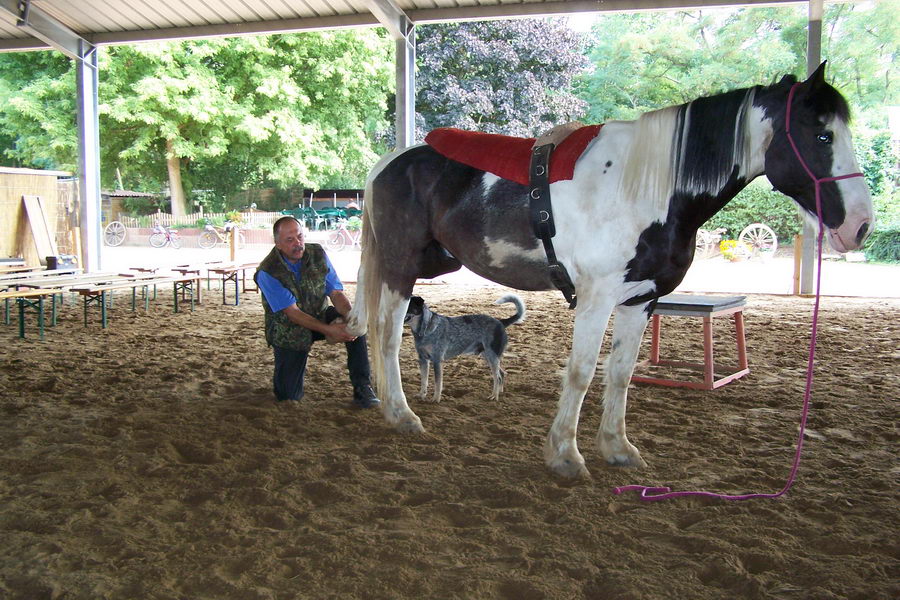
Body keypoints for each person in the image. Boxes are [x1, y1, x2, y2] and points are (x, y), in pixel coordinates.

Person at [254, 216, 379, 408]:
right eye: (290, 240)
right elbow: (293, 313)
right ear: (278, 244)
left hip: (319, 313)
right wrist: (330, 331)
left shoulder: (317, 253)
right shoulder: (267, 272)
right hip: (287, 329)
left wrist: (352, 318)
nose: (298, 243)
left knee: (356, 327)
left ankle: (363, 387)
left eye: (300, 237)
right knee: (288, 396)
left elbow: (335, 292)